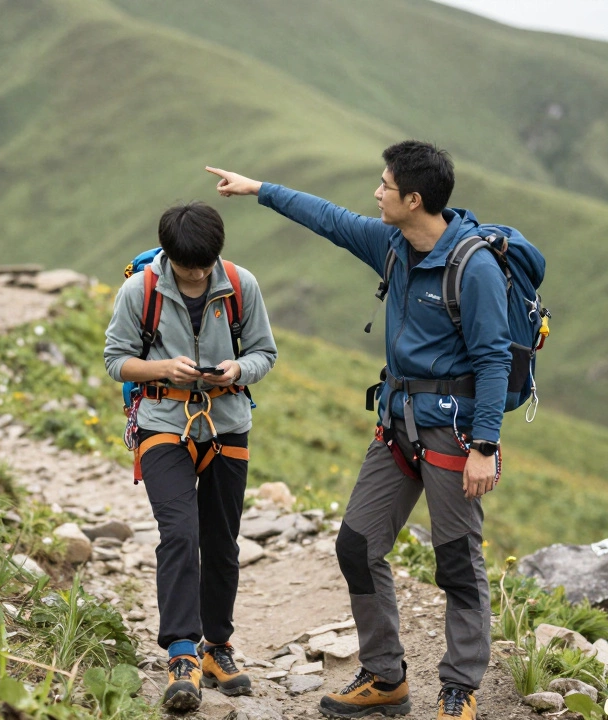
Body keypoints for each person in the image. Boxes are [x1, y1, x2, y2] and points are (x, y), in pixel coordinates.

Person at [207, 141, 509, 720]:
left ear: (413, 198)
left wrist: (486, 447)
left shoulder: (474, 270)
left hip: (453, 434)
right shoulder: (393, 245)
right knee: (357, 546)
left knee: (456, 562)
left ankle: (460, 689)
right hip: (397, 424)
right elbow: (329, 218)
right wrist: (258, 189)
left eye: (385, 184)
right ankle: (386, 676)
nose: (376, 192)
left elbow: (494, 360)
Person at [104, 201, 278, 712]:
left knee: (222, 540)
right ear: (169, 256)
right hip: (162, 422)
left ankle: (217, 648)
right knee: (179, 532)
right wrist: (162, 369)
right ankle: (182, 651)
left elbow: (265, 353)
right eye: (188, 267)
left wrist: (237, 371)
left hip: (227, 423)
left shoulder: (242, 286)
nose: (199, 274)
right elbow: (116, 361)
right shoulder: (140, 290)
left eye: (207, 265)